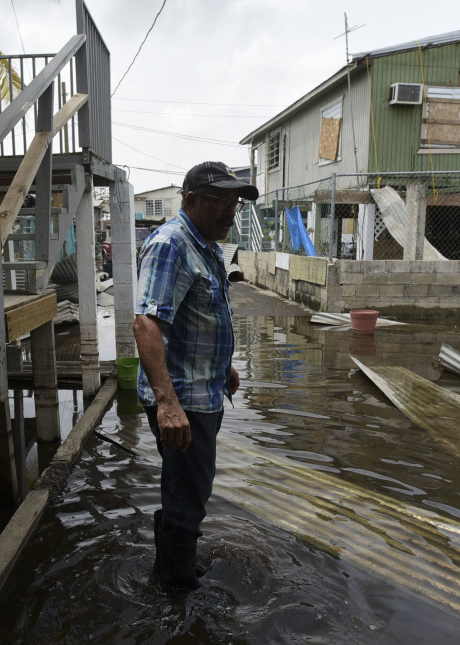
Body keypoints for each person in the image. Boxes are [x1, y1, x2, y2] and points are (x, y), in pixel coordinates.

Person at [133, 161, 258, 591]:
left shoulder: (205, 245)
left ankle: (173, 568)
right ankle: (175, 589)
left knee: (188, 488)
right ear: (191, 201)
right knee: (188, 493)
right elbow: (147, 324)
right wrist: (167, 403)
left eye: (235, 205)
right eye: (221, 202)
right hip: (182, 400)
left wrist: (224, 367)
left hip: (203, 391)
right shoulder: (171, 243)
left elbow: (197, 317)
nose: (230, 212)